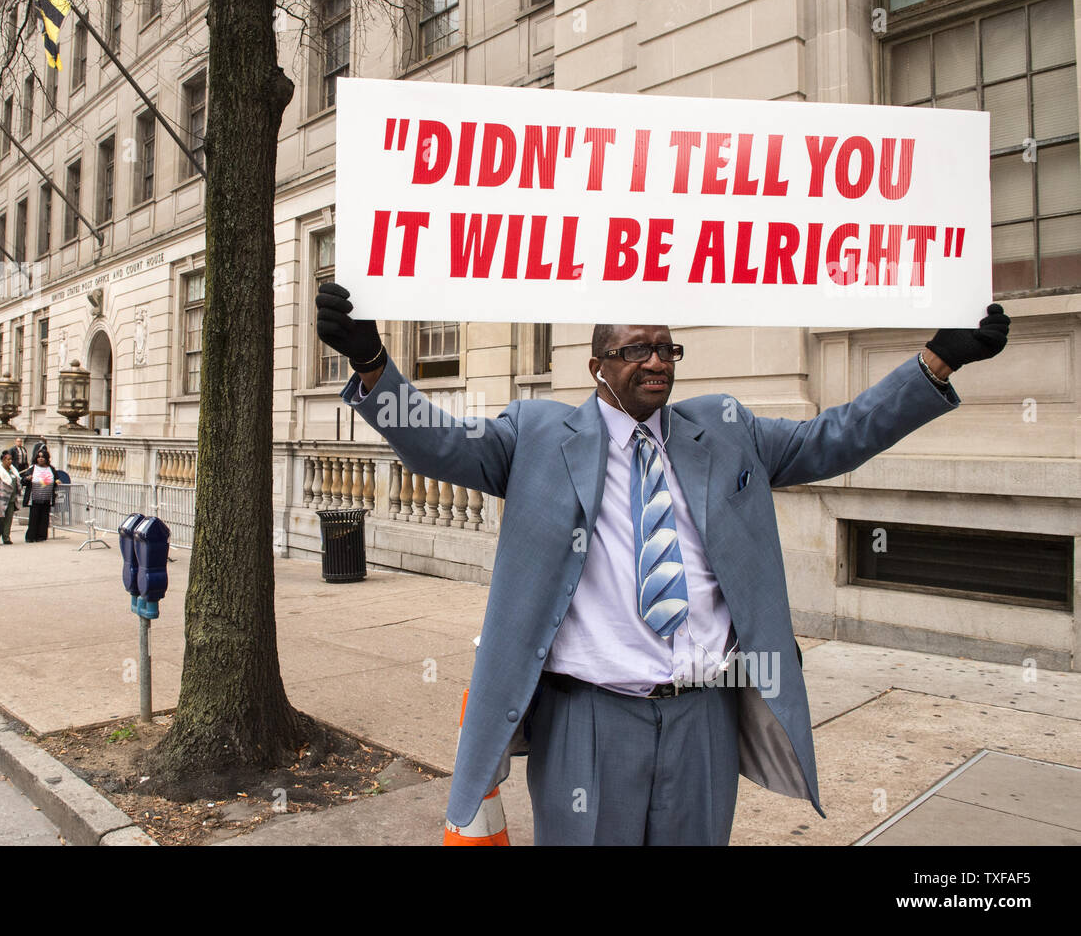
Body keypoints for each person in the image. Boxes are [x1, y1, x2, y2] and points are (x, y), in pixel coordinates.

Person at [315, 282, 1011, 846]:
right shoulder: (535, 436)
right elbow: (440, 444)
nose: (657, 361)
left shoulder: (726, 429)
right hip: (587, 723)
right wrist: (375, 365)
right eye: (637, 349)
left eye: (667, 348)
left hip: (701, 719)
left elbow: (836, 437)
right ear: (598, 366)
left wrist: (934, 364)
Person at [21, 446, 57, 542]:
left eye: (43, 457)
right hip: (35, 497)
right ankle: (31, 537)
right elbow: (23, 480)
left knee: (44, 518)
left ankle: (41, 536)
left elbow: (56, 480)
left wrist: (57, 481)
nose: (40, 459)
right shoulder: (32, 468)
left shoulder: (51, 469)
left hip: (47, 498)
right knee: (34, 517)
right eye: (39, 457)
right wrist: (27, 478)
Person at [0, 449, 21, 545]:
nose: (10, 461)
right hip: (0, 501)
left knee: (8, 520)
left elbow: (17, 484)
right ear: (3, 460)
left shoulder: (13, 472)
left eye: (11, 459)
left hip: (11, 500)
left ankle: (6, 537)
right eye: (8, 459)